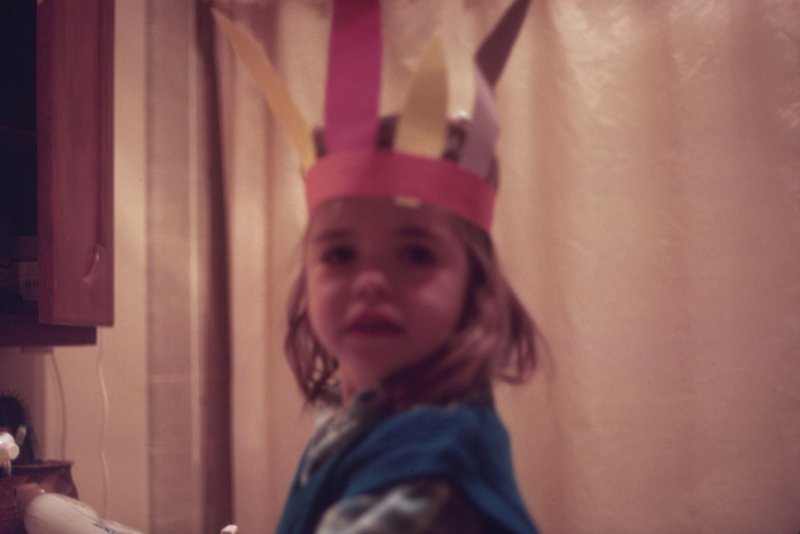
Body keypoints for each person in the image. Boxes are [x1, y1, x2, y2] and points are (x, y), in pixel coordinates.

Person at [213, 1, 539, 532]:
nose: (369, 282)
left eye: (415, 254)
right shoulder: (359, 403)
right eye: (340, 254)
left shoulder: (423, 484)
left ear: (475, 284)